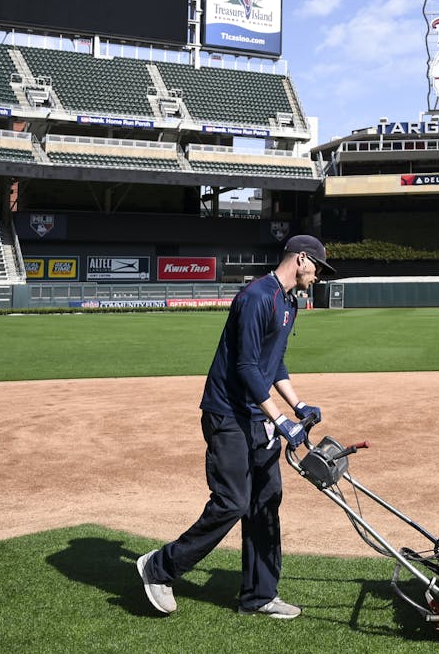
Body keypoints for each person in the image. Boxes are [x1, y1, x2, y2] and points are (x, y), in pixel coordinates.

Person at [137, 234, 336, 620]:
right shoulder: (256, 297)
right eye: (317, 268)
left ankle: (259, 595)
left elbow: (272, 363)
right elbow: (245, 366)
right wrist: (279, 419)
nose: (319, 276)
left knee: (265, 503)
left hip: (256, 417)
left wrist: (297, 405)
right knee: (232, 502)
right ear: (300, 260)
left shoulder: (288, 304)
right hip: (227, 414)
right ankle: (159, 568)